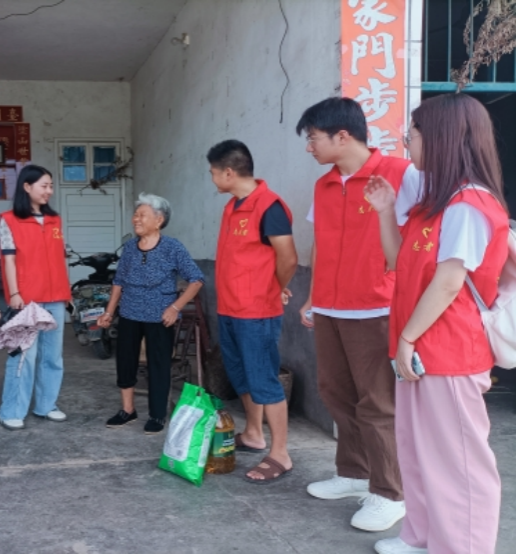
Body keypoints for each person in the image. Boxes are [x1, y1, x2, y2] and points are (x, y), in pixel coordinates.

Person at [366, 94, 509, 554]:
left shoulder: (470, 204)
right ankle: (423, 537)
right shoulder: (434, 205)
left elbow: (450, 282)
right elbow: (398, 261)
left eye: (413, 134)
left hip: (448, 350)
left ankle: (462, 547)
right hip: (419, 348)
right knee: (417, 449)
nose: (407, 142)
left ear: (443, 138)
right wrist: (386, 210)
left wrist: (408, 337)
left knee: (459, 462)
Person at [295, 97, 418, 532]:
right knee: (335, 392)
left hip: (376, 306)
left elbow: (419, 240)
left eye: (313, 138)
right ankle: (353, 472)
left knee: (377, 402)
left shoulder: (401, 174)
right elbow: (320, 243)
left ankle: (390, 493)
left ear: (342, 136)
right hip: (331, 306)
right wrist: (312, 296)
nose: (309, 147)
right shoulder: (325, 185)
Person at [208, 140, 298, 482]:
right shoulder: (232, 207)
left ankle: (280, 454)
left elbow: (288, 258)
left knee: (264, 379)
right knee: (240, 374)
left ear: (229, 172)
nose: (212, 179)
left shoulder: (269, 206)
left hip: (256, 311)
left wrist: (274, 287)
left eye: (213, 172)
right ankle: (254, 433)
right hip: (230, 308)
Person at [99, 193, 204, 434]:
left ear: (159, 220)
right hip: (129, 313)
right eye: (135, 215)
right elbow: (119, 281)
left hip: (160, 317)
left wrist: (175, 307)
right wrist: (109, 312)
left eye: (142, 215)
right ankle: (128, 410)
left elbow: (196, 279)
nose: (136, 219)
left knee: (159, 364)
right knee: (126, 362)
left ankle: (157, 415)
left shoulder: (172, 247)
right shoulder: (129, 247)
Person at [0, 165, 71, 430]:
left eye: (51, 186)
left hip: (56, 296)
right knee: (23, 356)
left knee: (53, 356)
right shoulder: (9, 219)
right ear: (27, 187)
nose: (49, 191)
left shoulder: (54, 220)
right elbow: (9, 260)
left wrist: (66, 292)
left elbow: (59, 259)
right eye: (44, 185)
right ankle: (11, 410)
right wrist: (14, 293)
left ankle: (46, 405)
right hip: (27, 298)